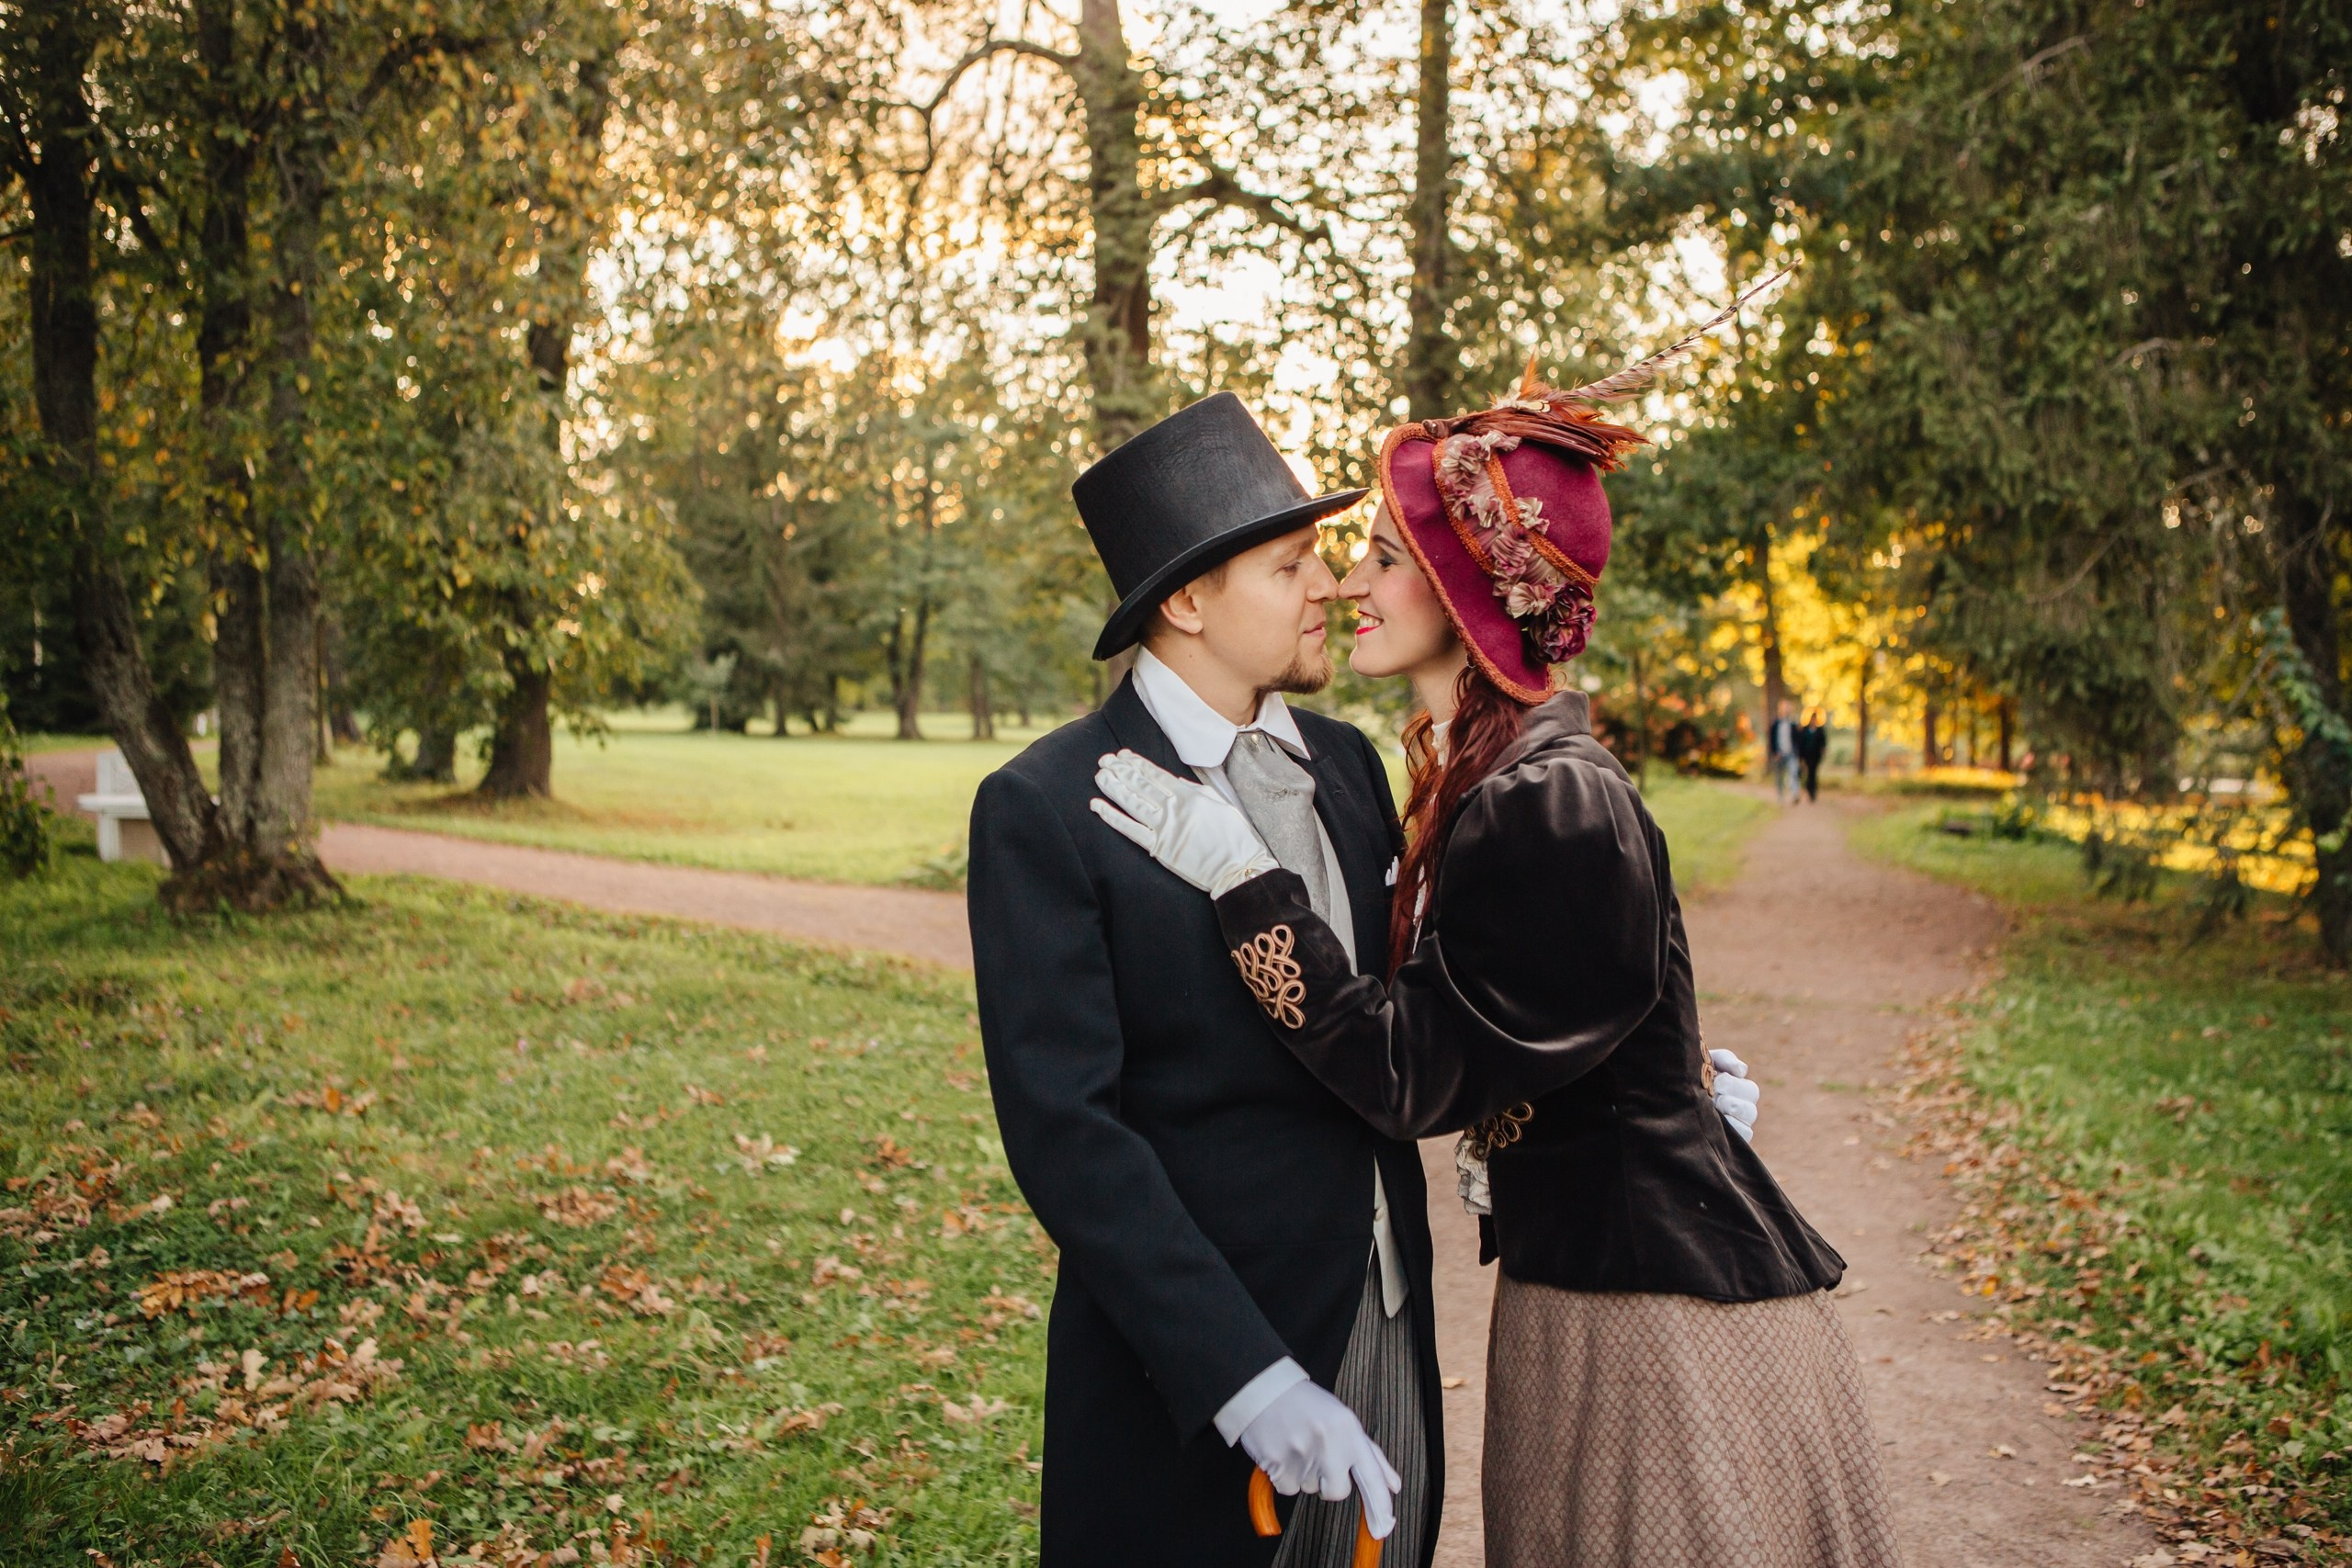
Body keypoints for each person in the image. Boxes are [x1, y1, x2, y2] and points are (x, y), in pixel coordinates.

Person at [1089, 366, 1897, 1567]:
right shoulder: (1491, 776)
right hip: (1592, 1286)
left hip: (1657, 1323)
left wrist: (1243, 880)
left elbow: (1405, 1070)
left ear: (1467, 587)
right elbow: (1524, 1022)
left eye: (1381, 556)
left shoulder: (1548, 796)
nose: (1348, 584)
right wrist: (1535, 1126)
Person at [966, 393, 1440, 1568]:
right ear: (1185, 603)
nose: (1331, 586)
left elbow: (1396, 1022)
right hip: (1195, 1381)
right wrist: (1246, 1378)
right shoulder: (1046, 808)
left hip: (1386, 1321)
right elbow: (1070, 1136)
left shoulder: (1345, 764)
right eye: (1291, 565)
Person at [1769, 698, 1803, 805]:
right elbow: (1771, 739)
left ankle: (1795, 793)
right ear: (1781, 709)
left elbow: (1798, 740)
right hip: (1779, 753)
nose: (1787, 710)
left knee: (1793, 773)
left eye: (1789, 708)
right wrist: (1775, 752)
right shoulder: (1775, 724)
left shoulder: (1793, 724)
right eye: (1785, 708)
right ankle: (1780, 796)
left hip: (1791, 753)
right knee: (1780, 776)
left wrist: (1799, 753)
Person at [1798, 708, 1829, 801]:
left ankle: (1813, 791)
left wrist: (1823, 750)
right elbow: (1801, 743)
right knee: (1809, 773)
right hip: (1807, 755)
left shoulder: (1820, 730)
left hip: (1816, 755)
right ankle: (1809, 789)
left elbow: (1823, 742)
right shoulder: (1805, 729)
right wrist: (1801, 756)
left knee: (1813, 773)